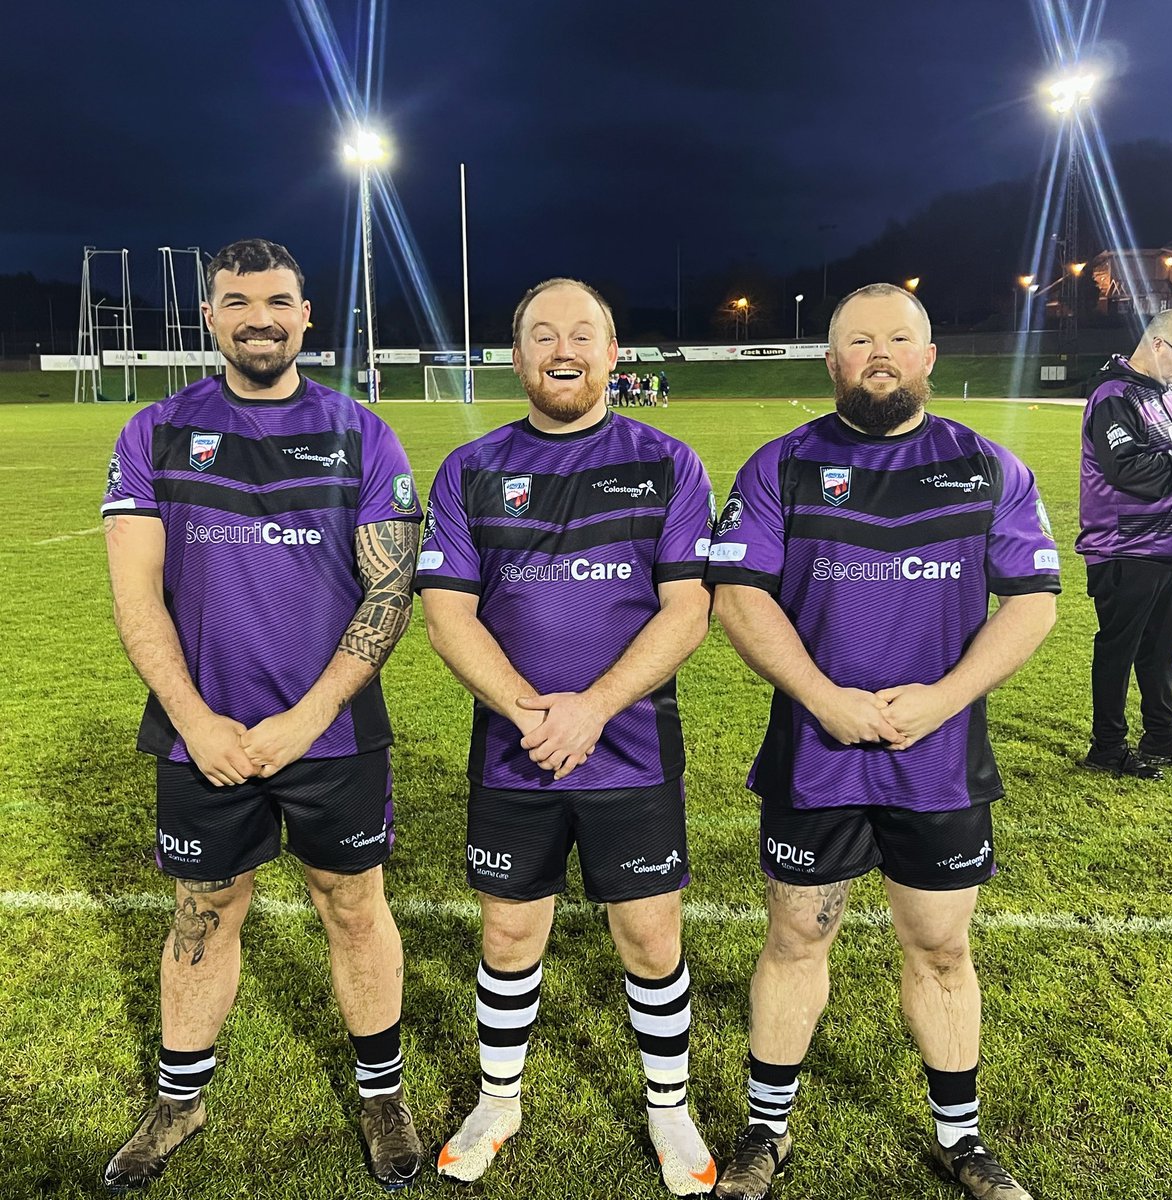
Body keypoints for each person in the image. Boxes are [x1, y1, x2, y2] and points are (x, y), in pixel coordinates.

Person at [706, 283, 1059, 1200]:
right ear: (830, 361)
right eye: (858, 340)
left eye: (898, 338)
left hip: (937, 760)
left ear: (928, 358)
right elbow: (740, 595)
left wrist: (944, 699)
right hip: (817, 754)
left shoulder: (990, 469)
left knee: (941, 948)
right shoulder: (779, 466)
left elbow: (1031, 601)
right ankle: (765, 1134)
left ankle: (960, 1139)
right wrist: (824, 698)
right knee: (794, 938)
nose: (879, 354)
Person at [100, 238, 425, 1191]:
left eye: (278, 299)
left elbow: (389, 591)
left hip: (333, 736)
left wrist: (310, 716)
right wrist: (196, 719)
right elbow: (136, 596)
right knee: (203, 907)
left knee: (353, 906)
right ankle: (177, 1101)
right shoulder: (155, 431)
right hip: (201, 734)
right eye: (237, 301)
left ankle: (381, 1094)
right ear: (211, 318)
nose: (259, 317)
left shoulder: (361, 433)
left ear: (306, 316)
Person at [416, 278, 716, 1195]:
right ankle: (498, 1100)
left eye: (582, 332)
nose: (562, 347)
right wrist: (526, 708)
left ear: (611, 353)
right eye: (542, 333)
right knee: (508, 932)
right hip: (514, 746)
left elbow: (687, 608)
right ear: (517, 357)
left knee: (650, 934)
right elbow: (446, 612)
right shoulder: (470, 470)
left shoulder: (669, 462)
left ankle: (669, 1108)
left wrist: (592, 706)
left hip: (629, 745)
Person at [1077, 308, 1172, 779]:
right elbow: (1128, 471)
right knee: (1119, 649)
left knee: (1163, 645)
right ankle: (1107, 747)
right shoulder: (1114, 395)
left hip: (1166, 548)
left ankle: (1161, 736)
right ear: (1157, 344)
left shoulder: (1166, 393)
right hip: (1126, 549)